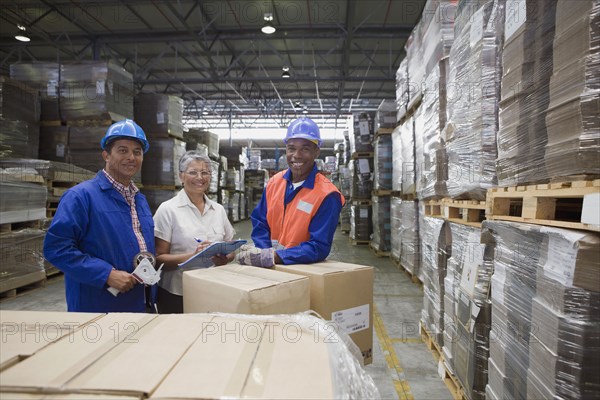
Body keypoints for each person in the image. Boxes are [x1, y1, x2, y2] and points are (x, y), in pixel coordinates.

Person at [43, 119, 155, 313]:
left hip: (140, 303)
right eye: (122, 150)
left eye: (137, 152)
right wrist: (106, 274)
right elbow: (56, 248)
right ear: (106, 155)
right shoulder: (81, 197)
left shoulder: (140, 199)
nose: (131, 157)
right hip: (98, 305)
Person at [241, 117, 345, 267]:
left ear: (316, 152)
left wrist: (276, 256)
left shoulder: (328, 195)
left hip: (303, 270)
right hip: (270, 266)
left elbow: (319, 246)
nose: (297, 155)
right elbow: (260, 221)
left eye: (305, 148)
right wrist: (265, 253)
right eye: (291, 148)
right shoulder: (274, 183)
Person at [153, 151, 235, 313]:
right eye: (193, 172)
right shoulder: (168, 210)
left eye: (205, 173)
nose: (200, 178)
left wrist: (225, 258)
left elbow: (230, 246)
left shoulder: (218, 210)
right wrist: (194, 255)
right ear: (181, 176)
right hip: (177, 293)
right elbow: (158, 258)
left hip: (213, 288)